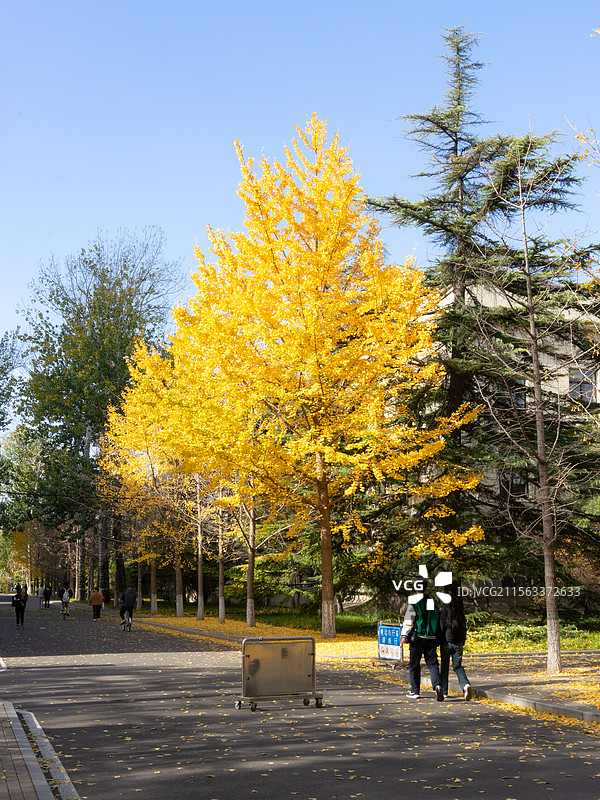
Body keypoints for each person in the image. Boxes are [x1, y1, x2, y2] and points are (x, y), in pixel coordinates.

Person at [400, 579, 444, 701]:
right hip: (431, 637)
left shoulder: (414, 603)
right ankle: (437, 685)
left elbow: (409, 620)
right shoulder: (433, 603)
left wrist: (404, 636)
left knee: (414, 664)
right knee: (433, 663)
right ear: (425, 589)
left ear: (415, 589)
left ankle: (415, 691)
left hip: (418, 637)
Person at [439, 583, 473, 701]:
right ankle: (465, 685)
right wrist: (462, 641)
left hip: (446, 643)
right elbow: (464, 628)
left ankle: (443, 691)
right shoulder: (460, 613)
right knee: (458, 667)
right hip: (458, 643)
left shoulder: (443, 614)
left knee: (444, 668)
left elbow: (441, 630)